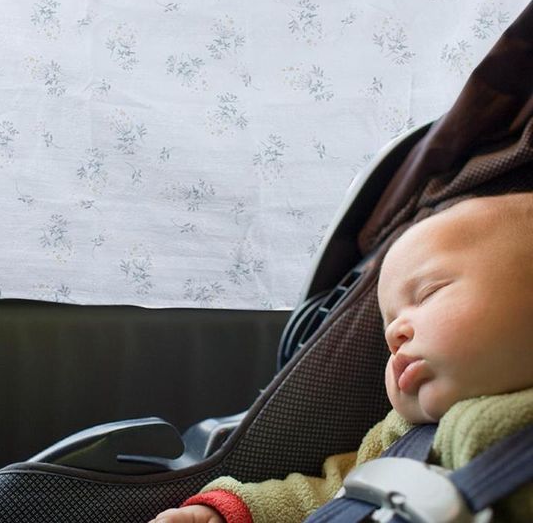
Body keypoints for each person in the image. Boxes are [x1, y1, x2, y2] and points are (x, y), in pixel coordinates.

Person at [149, 193, 533, 523]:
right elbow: (334, 492)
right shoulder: (397, 438)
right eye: (390, 322)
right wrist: (237, 510)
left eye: (430, 293)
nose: (394, 333)